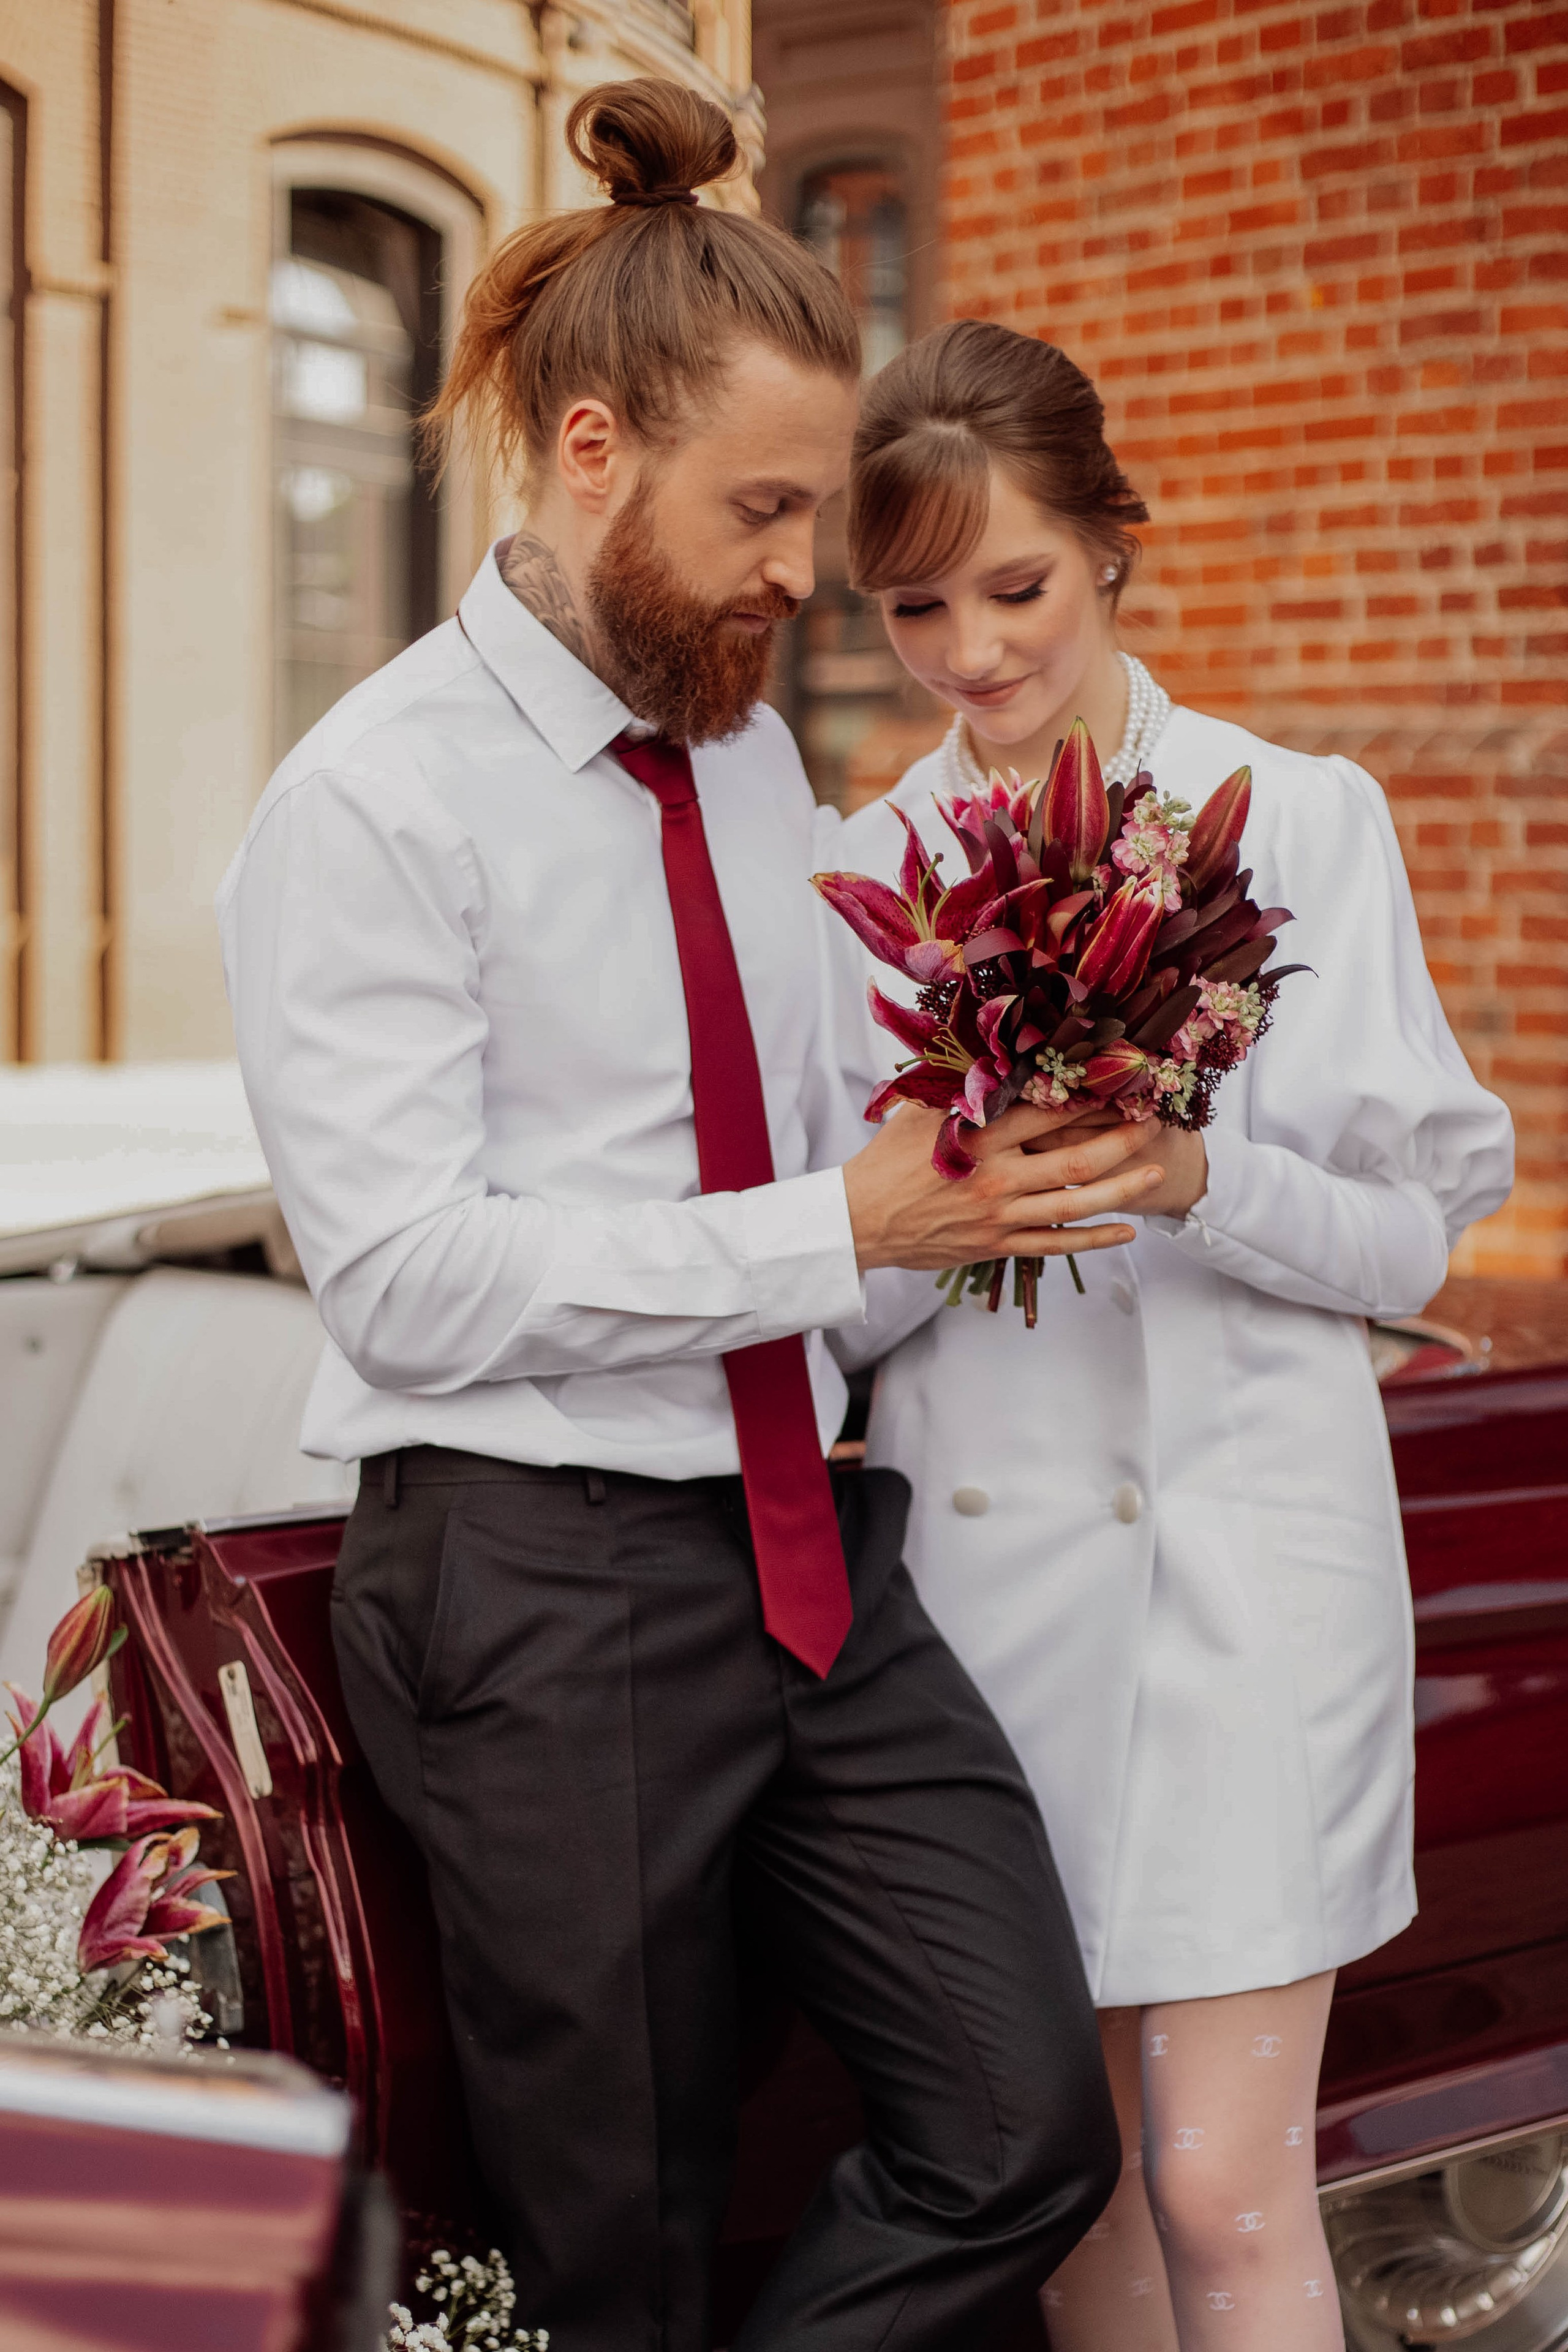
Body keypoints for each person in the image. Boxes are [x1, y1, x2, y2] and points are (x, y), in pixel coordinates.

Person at [216, 86, 1159, 2352]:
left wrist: (1023, 1083)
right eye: (762, 512)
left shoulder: (744, 750)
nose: (796, 576)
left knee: (1021, 2129)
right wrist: (836, 1227)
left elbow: (829, 1106)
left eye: (813, 518)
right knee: (614, 2251)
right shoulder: (366, 808)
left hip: (817, 1556)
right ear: (588, 446)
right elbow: (409, 1279)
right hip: (542, 1590)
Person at [832, 318, 1515, 2352]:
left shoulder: (1298, 818)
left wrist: (1197, 1175)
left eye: (1015, 587)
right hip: (991, 1617)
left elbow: (1418, 1229)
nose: (970, 653)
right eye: (916, 607)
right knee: (1085, 2203)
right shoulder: (857, 881)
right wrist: (928, 1207)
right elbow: (834, 1295)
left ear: (1115, 549)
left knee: (1229, 2188)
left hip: (1249, 1592)